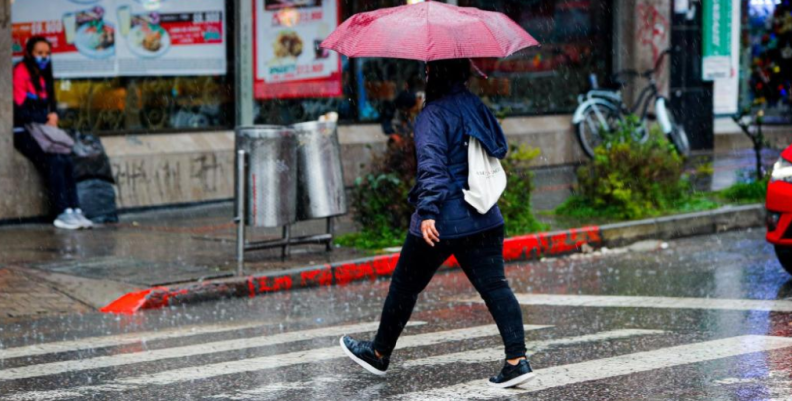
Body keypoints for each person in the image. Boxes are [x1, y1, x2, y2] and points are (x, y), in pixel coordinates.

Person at [340, 59, 535, 389]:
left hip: (443, 219)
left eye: (429, 70)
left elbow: (432, 166)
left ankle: (378, 352)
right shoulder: (475, 105)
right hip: (484, 215)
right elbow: (498, 146)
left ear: (434, 74)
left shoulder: (432, 115)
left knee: (404, 286)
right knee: (496, 286)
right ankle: (517, 360)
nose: (426, 75)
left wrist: (428, 211)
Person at [13, 36, 92, 230]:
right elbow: (18, 110)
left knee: (65, 159)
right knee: (54, 161)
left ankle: (74, 209)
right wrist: (45, 117)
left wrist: (53, 114)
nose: (43, 57)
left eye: (47, 53)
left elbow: (51, 103)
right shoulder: (20, 73)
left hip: (43, 131)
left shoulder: (44, 76)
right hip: (24, 132)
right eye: (39, 53)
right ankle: (61, 211)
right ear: (29, 53)